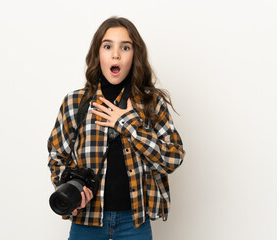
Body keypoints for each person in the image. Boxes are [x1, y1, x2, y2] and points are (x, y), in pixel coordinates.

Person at [47, 16, 185, 240]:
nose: (116, 54)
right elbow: (56, 156)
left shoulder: (151, 103)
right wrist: (68, 193)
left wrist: (127, 123)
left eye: (126, 47)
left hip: (135, 222)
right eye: (108, 46)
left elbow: (173, 158)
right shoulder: (75, 103)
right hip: (86, 222)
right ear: (97, 54)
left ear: (135, 55)